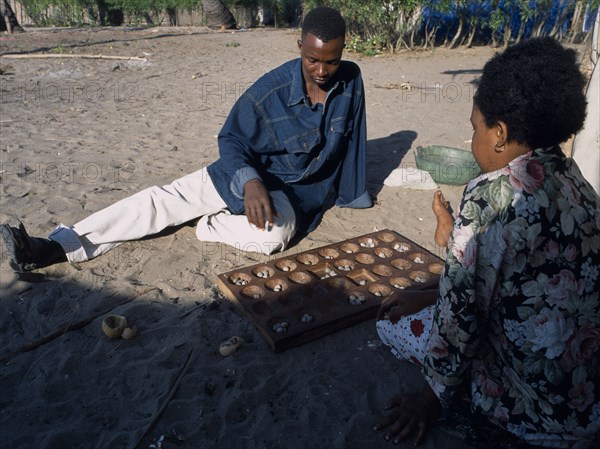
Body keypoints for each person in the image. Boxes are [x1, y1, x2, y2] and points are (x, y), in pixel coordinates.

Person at [0, 7, 371, 273]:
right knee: (164, 201)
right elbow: (231, 140)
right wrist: (252, 181)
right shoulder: (267, 93)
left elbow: (353, 141)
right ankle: (55, 246)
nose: (322, 71)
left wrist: (353, 195)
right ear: (298, 46)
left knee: (273, 238)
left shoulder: (351, 80)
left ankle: (207, 224)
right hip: (247, 174)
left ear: (343, 52)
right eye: (312, 60)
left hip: (293, 193)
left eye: (332, 61)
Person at [373, 37, 600, 448]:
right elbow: (512, 280)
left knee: (394, 328)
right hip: (587, 400)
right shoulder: (575, 180)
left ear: (499, 133)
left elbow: (458, 325)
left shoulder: (489, 198)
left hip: (536, 415)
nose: (471, 136)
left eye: (474, 126)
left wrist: (428, 399)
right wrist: (430, 290)